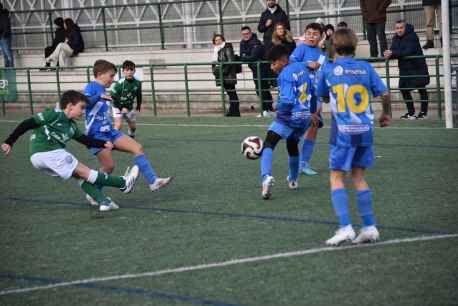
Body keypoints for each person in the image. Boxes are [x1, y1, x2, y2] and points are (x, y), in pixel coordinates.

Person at [1, 90, 140, 212]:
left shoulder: (72, 127)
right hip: (47, 151)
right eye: (81, 107)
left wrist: (103, 143)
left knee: (79, 176)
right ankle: (122, 183)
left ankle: (104, 201)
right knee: (86, 172)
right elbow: (26, 124)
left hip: (40, 158)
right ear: (69, 106)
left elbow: (86, 140)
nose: (83, 111)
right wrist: (9, 141)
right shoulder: (54, 114)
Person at [315, 28, 392, 246]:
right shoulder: (366, 67)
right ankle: (369, 227)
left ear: (334, 46)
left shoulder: (328, 70)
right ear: (355, 45)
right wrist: (386, 113)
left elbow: (323, 97)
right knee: (358, 176)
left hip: (343, 133)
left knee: (336, 176)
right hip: (365, 131)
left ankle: (346, 227)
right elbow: (385, 93)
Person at [84, 59, 172, 204]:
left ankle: (153, 181)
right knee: (109, 167)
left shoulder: (104, 89)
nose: (113, 80)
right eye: (111, 76)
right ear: (100, 74)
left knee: (137, 148)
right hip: (96, 135)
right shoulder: (92, 87)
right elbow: (85, 103)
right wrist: (98, 96)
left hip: (110, 132)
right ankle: (93, 193)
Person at [258, 45, 313, 200]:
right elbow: (312, 91)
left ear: (283, 61)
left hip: (290, 115)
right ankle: (293, 179)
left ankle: (266, 177)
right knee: (292, 144)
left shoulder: (285, 74)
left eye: (274, 63)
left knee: (269, 142)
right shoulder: (301, 67)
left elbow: (288, 100)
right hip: (305, 116)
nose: (272, 67)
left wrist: (277, 106)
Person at [290, 23, 326, 176]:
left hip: (317, 94)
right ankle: (295, 160)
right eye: (309, 33)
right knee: (303, 126)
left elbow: (324, 71)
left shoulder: (322, 52)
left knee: (313, 127)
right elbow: (291, 61)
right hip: (303, 94)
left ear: (321, 36)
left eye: (315, 34)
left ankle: (303, 163)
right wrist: (307, 64)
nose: (311, 36)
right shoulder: (301, 48)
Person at [383, 20, 430, 119]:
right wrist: (388, 54)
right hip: (405, 69)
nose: (399, 30)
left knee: (421, 88)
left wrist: (393, 53)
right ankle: (411, 113)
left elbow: (408, 51)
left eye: (401, 28)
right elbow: (394, 51)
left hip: (417, 67)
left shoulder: (412, 36)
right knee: (403, 89)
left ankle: (423, 113)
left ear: (405, 27)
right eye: (397, 28)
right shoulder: (395, 37)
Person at [239, 26, 274, 117]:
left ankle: (267, 109)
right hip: (254, 69)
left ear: (251, 33)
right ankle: (268, 109)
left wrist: (245, 56)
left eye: (247, 34)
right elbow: (241, 55)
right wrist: (245, 56)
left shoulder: (256, 42)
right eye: (243, 34)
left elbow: (253, 57)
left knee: (262, 89)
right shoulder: (242, 42)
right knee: (259, 89)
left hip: (262, 68)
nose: (245, 36)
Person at [111, 60, 142, 138]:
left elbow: (139, 94)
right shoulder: (119, 84)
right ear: (123, 71)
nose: (129, 72)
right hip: (117, 106)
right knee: (118, 125)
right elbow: (113, 97)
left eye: (131, 70)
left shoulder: (138, 82)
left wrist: (138, 104)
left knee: (133, 127)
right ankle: (112, 141)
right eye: (127, 70)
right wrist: (121, 108)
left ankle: (131, 136)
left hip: (129, 107)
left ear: (134, 71)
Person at [211, 34, 240, 117]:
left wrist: (223, 72)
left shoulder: (227, 48)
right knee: (230, 93)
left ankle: (234, 112)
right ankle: (233, 111)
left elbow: (230, 61)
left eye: (219, 39)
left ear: (223, 40)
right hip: (222, 75)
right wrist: (215, 72)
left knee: (232, 93)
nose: (218, 41)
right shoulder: (216, 50)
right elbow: (214, 63)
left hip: (228, 75)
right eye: (216, 40)